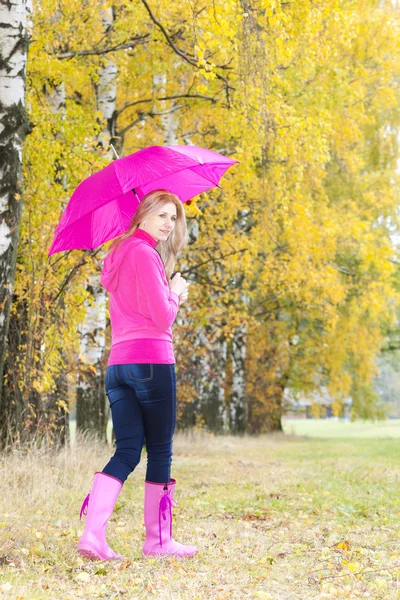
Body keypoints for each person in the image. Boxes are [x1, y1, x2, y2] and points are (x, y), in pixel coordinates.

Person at [78, 189, 198, 560]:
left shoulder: (115, 255)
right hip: (152, 362)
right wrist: (175, 292)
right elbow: (162, 317)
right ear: (141, 214)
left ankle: (93, 536)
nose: (168, 223)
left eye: (173, 217)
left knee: (128, 449)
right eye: (161, 215)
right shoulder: (145, 253)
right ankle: (158, 542)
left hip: (119, 366)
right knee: (159, 450)